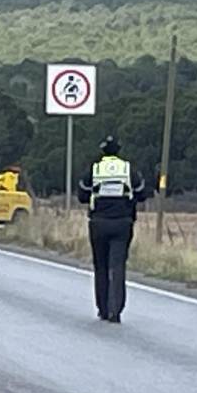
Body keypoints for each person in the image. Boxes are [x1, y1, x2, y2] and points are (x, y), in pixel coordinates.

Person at [77, 136, 149, 323]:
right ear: (119, 151)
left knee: (100, 266)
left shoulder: (94, 170)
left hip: (98, 223)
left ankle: (102, 308)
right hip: (122, 223)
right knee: (117, 267)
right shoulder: (128, 170)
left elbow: (82, 196)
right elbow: (142, 194)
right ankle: (115, 310)